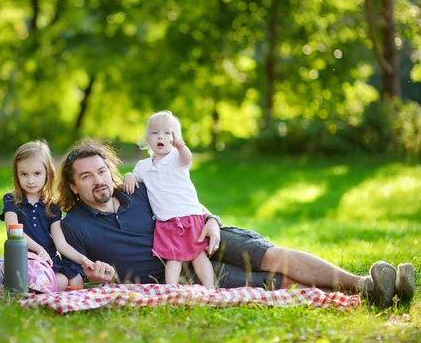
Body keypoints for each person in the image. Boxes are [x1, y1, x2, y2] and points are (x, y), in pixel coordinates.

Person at [57, 138, 415, 308]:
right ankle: (373, 295)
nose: (98, 180)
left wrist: (212, 219)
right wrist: (93, 278)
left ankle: (368, 284)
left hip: (202, 233)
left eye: (102, 170)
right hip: (182, 273)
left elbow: (185, 204)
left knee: (273, 256)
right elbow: (73, 278)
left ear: (111, 170)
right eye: (86, 177)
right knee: (272, 281)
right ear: (73, 185)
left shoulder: (139, 189)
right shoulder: (74, 227)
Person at [123, 111, 214, 289]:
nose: (161, 137)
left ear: (176, 138)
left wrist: (181, 147)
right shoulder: (143, 166)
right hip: (166, 221)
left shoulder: (176, 158)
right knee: (172, 258)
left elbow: (187, 159)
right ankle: (170, 290)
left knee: (198, 255)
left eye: (167, 133)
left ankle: (210, 288)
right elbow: (135, 177)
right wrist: (127, 175)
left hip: (189, 216)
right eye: (155, 133)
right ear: (147, 139)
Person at [0, 140, 95, 291]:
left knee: (76, 280)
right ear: (16, 175)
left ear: (47, 174)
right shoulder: (12, 200)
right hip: (25, 260)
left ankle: (43, 292)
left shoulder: (52, 206)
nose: (31, 181)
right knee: (55, 282)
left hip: (49, 261)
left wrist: (83, 259)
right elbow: (13, 232)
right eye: (24, 174)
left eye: (37, 174)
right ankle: (31, 288)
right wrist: (38, 249)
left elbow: (60, 243)